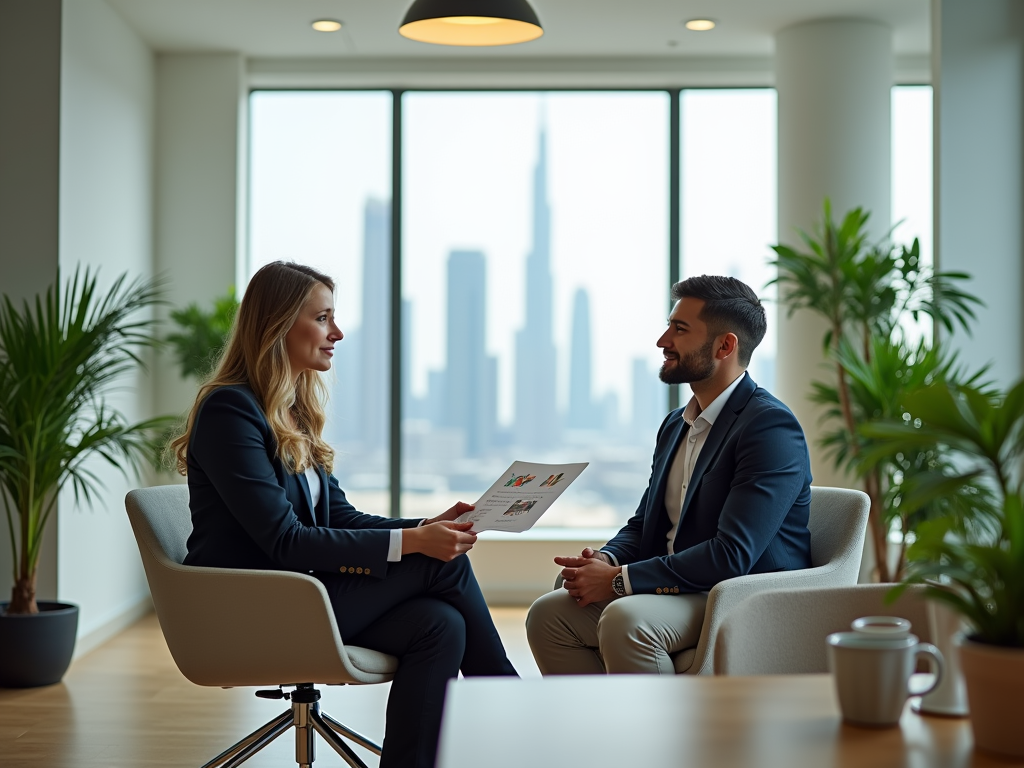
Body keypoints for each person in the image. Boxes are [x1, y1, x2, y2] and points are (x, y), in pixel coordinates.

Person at [171, 261, 517, 768]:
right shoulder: (230, 411)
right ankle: (516, 710)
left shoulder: (291, 413)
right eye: (323, 318)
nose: (337, 332)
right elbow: (286, 541)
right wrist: (420, 546)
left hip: (305, 595)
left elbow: (341, 518)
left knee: (440, 623)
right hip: (258, 607)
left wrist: (421, 529)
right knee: (440, 563)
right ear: (279, 325)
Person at [526, 275, 812, 675]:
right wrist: (604, 559)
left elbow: (733, 556)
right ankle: (596, 733)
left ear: (725, 345)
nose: (663, 341)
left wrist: (617, 580)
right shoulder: (676, 425)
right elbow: (645, 523)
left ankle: (656, 738)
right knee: (549, 613)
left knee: (627, 621)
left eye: (679, 329)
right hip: (678, 587)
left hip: (739, 596)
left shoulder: (769, 428)